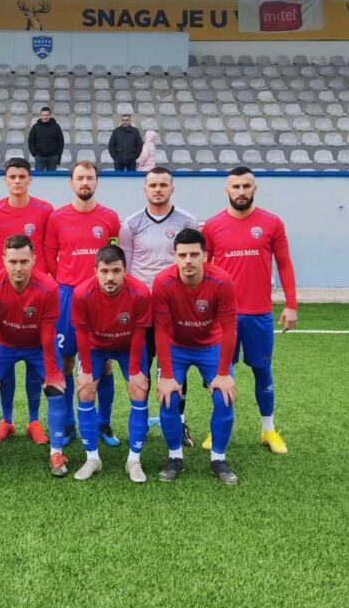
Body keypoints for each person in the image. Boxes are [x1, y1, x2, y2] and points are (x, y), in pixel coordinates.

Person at [203, 167, 298, 455]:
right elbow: (204, 269)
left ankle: (268, 429)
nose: (241, 191)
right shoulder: (212, 226)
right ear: (227, 190)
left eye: (246, 186)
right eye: (236, 187)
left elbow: (284, 263)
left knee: (262, 371)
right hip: (224, 315)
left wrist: (291, 304)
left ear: (254, 189)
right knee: (222, 374)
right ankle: (218, 429)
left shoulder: (272, 223)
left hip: (259, 313)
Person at [117, 167, 200, 446]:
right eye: (153, 185)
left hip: (177, 309)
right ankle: (140, 422)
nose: (158, 189)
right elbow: (127, 269)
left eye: (163, 185)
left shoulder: (188, 221)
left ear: (172, 189)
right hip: (143, 309)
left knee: (176, 367)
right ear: (145, 190)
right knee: (143, 365)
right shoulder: (131, 224)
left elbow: (193, 264)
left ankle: (179, 422)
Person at [0, 235, 67, 476]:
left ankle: (56, 452)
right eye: (13, 261)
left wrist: (52, 372)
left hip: (38, 346)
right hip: (4, 345)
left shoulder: (48, 287)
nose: (18, 268)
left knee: (56, 389)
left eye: (24, 261)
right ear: (3, 260)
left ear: (34, 260)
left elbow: (48, 331)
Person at [152, 228, 239, 485]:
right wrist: (167, 376)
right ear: (175, 257)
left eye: (193, 254)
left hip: (210, 346)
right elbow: (161, 330)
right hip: (176, 347)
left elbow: (230, 328)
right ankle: (174, 457)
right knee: (169, 398)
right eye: (182, 255)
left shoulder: (221, 281)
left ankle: (218, 459)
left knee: (224, 397)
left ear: (205, 256)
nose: (188, 260)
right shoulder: (163, 282)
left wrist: (223, 373)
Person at [44, 161, 121, 445]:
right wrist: (67, 282)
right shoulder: (57, 218)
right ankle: (68, 424)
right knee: (66, 360)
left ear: (96, 182)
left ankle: (104, 424)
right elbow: (49, 257)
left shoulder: (110, 217)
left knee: (105, 361)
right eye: (80, 178)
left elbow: (113, 257)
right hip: (67, 295)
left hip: (100, 297)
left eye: (89, 178)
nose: (85, 182)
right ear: (71, 183)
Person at [0, 157, 53, 445]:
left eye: (22, 176)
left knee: (36, 361)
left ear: (30, 179)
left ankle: (34, 420)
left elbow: (47, 249)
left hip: (36, 294)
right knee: (6, 360)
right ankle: (8, 421)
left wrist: (47, 281)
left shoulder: (45, 210)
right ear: (5, 180)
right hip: (4, 294)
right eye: (12, 177)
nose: (17, 181)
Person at [71, 245, 152, 482]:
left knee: (139, 390)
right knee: (85, 390)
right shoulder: (82, 293)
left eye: (116, 271)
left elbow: (139, 332)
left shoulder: (140, 292)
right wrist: (86, 371)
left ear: (125, 270)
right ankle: (92, 458)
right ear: (95, 271)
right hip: (95, 346)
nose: (110, 277)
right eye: (104, 271)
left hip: (129, 347)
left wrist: (135, 371)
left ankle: (133, 460)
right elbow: (81, 333)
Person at [27, 106, 64, 171]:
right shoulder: (35, 127)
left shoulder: (56, 127)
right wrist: (34, 153)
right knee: (38, 176)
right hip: (39, 157)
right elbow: (31, 141)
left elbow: (61, 141)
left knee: (51, 176)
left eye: (46, 115)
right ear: (40, 116)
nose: (45, 117)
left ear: (50, 115)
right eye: (43, 115)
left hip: (53, 157)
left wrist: (58, 154)